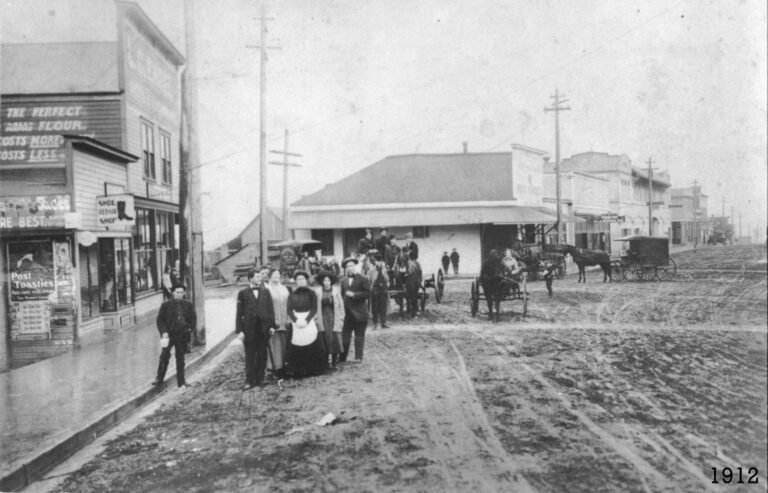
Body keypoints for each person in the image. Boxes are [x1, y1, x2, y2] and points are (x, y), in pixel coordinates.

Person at [235, 269, 276, 390]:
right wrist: (240, 331)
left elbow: (270, 310)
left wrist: (272, 326)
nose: (260, 278)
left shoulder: (266, 291)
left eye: (260, 277)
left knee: (262, 355)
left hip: (263, 329)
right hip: (249, 330)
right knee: (250, 356)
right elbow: (239, 313)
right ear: (250, 278)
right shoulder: (243, 293)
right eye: (257, 277)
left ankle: (260, 378)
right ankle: (249, 380)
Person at [152, 283, 197, 388]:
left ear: (184, 293)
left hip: (182, 335)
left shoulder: (188, 305)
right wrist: (164, 333)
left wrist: (189, 329)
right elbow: (160, 321)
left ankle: (181, 382)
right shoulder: (166, 305)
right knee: (164, 356)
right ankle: (159, 378)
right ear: (173, 293)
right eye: (177, 292)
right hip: (169, 335)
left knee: (180, 359)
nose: (180, 295)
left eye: (182, 292)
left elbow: (193, 319)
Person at [285, 270, 327, 377]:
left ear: (306, 280)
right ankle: (299, 370)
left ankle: (312, 369)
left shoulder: (311, 293)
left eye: (302, 279)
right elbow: (289, 309)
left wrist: (307, 320)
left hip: (308, 321)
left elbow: (314, 308)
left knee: (311, 342)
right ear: (296, 281)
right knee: (297, 343)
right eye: (298, 279)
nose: (300, 281)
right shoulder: (292, 294)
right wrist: (296, 320)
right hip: (297, 322)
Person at [340, 257, 371, 363]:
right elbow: (341, 296)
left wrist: (354, 295)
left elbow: (368, 294)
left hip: (360, 313)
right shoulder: (343, 281)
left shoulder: (363, 279)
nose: (350, 268)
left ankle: (358, 357)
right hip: (347, 314)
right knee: (345, 337)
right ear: (345, 269)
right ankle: (342, 358)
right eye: (347, 266)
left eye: (352, 265)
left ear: (355, 266)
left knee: (359, 336)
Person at [315, 271, 344, 369]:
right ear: (322, 282)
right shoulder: (318, 292)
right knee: (324, 340)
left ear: (331, 281)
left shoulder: (336, 291)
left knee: (334, 340)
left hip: (333, 318)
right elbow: (315, 306)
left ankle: (334, 363)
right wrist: (316, 318)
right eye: (324, 280)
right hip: (322, 317)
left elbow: (341, 305)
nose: (326, 282)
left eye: (328, 280)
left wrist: (341, 318)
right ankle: (326, 363)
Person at [266, 268, 290, 377]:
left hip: (284, 319)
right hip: (273, 320)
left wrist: (288, 317)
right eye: (274, 275)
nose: (276, 277)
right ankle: (274, 368)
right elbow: (265, 307)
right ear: (270, 276)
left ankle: (283, 366)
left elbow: (289, 304)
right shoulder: (266, 289)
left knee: (284, 343)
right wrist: (272, 320)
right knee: (274, 344)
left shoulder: (284, 288)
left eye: (278, 275)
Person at [367, 253, 390, 329]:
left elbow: (387, 280)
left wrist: (387, 283)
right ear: (375, 262)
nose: (379, 262)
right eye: (377, 261)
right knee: (375, 307)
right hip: (375, 291)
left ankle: (383, 323)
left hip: (383, 291)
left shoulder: (384, 270)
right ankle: (375, 323)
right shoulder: (371, 271)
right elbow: (368, 280)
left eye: (380, 261)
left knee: (383, 307)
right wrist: (370, 289)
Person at [480, 250, 503, 322]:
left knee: (496, 298)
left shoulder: (498, 263)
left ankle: (497, 314)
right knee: (489, 299)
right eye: (494, 255)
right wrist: (489, 277)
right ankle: (491, 313)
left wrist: (500, 275)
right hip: (487, 283)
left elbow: (501, 272)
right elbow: (482, 275)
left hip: (495, 282)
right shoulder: (486, 263)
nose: (496, 256)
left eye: (496, 255)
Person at [404, 250, 422, 318]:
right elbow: (420, 272)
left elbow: (406, 272)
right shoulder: (417, 263)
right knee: (415, 296)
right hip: (416, 282)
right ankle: (415, 310)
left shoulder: (408, 263)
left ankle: (411, 311)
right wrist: (420, 280)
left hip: (410, 282)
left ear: (409, 257)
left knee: (411, 297)